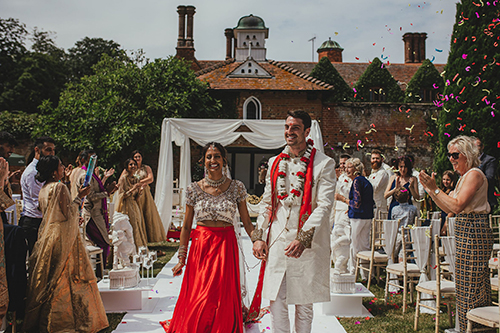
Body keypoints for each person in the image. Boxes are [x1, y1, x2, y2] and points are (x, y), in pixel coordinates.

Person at [252, 110, 336, 333]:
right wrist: (259, 237)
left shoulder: (324, 164)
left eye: (295, 128)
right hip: (278, 241)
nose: (289, 132)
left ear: (307, 132)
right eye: (287, 127)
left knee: (304, 302)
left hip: (308, 242)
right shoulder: (274, 162)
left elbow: (324, 206)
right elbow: (267, 203)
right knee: (276, 300)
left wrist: (303, 237)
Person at [161, 142, 254, 332]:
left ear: (224, 160)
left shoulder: (236, 187)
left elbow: (247, 222)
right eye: (209, 157)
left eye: (217, 156)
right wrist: (181, 257)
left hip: (226, 245)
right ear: (203, 161)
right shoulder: (193, 189)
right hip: (202, 246)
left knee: (222, 294)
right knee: (200, 294)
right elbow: (186, 226)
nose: (213, 160)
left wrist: (257, 242)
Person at [24, 155, 108, 332]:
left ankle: (44, 320)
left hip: (48, 234)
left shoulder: (44, 188)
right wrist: (80, 196)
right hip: (63, 235)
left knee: (50, 275)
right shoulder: (59, 187)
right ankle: (64, 320)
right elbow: (68, 211)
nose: (63, 168)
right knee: (65, 276)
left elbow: (50, 212)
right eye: (61, 165)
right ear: (55, 171)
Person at [419, 135, 492, 332]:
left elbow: (458, 206)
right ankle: (469, 328)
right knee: (465, 285)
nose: (451, 159)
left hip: (473, 232)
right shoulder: (463, 177)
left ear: (467, 154)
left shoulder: (475, 174)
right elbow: (447, 205)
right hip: (465, 231)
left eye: (455, 155)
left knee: (472, 286)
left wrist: (434, 190)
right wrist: (430, 190)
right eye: (449, 155)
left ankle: (473, 328)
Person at [78, 149, 118, 267]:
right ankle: (101, 271)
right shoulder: (85, 175)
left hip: (98, 212)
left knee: (103, 243)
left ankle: (99, 270)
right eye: (91, 159)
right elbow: (89, 196)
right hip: (92, 214)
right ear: (84, 160)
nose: (94, 161)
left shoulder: (92, 174)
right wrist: (107, 192)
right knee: (104, 243)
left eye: (95, 158)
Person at [336, 158, 374, 279]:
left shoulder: (357, 181)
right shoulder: (365, 181)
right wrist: (350, 207)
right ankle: (366, 274)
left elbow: (356, 203)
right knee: (364, 245)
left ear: (356, 169)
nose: (346, 170)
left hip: (358, 217)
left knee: (354, 245)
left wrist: (342, 199)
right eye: (345, 167)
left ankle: (353, 271)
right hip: (367, 215)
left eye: (349, 167)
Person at [19, 136, 56, 254]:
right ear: (37, 150)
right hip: (33, 221)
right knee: (36, 259)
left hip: (42, 220)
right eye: (48, 150)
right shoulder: (32, 172)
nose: (52, 153)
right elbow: (39, 202)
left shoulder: (44, 171)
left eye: (53, 150)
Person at [131, 150, 166, 243]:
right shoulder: (131, 167)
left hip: (145, 193)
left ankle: (149, 237)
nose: (137, 159)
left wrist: (140, 182)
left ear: (142, 158)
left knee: (147, 212)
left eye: (139, 156)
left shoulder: (146, 168)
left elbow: (150, 178)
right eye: (135, 157)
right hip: (134, 192)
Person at [117, 158, 148, 249]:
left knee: (137, 227)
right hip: (126, 207)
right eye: (131, 164)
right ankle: (128, 253)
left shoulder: (136, 179)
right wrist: (133, 188)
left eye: (134, 164)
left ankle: (139, 251)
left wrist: (140, 191)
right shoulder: (123, 179)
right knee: (129, 227)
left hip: (135, 206)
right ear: (126, 167)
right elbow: (121, 195)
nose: (133, 166)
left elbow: (137, 198)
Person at [391, 187, 417, 259]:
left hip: (397, 235)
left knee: (393, 254)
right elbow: (416, 221)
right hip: (408, 234)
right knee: (403, 254)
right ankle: (402, 267)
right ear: (408, 197)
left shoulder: (394, 209)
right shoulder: (413, 209)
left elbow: (393, 221)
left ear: (396, 199)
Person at [475, 138, 497, 211]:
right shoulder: (470, 160)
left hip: (486, 199)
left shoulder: (489, 160)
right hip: (473, 201)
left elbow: (489, 177)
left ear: (482, 147)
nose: (476, 148)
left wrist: (473, 182)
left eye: (477, 146)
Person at [369, 149, 389, 219]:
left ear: (382, 160)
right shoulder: (372, 173)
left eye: (377, 158)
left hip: (380, 208)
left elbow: (374, 188)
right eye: (373, 158)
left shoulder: (383, 173)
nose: (375, 160)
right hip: (372, 207)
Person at [439, 170, 457, 235]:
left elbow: (451, 211)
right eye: (444, 179)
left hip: (449, 220)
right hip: (443, 217)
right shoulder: (444, 190)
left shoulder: (452, 192)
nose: (445, 182)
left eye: (448, 180)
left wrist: (445, 226)